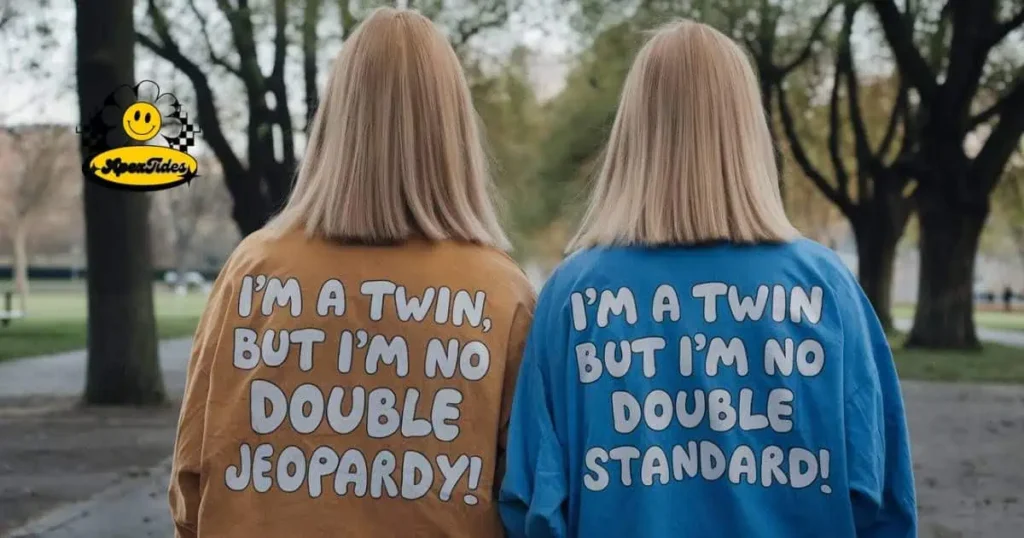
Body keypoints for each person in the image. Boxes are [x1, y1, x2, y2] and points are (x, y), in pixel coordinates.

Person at [499, 19, 917, 538]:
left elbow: (532, 502)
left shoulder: (572, 295)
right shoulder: (826, 289)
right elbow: (881, 496)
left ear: (635, 131)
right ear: (748, 131)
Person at [168, 8, 536, 538]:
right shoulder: (502, 293)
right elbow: (521, 495)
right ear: (452, 130)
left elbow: (192, 474)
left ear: (337, 119)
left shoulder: (253, 271)